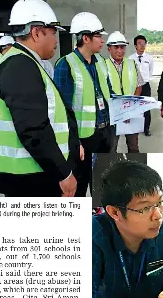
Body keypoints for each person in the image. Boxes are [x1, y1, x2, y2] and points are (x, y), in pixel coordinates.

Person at [0, 0, 81, 197]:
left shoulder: (25, 61)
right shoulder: (20, 66)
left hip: (34, 171)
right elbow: (33, 130)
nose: (56, 40)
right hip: (30, 177)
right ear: (36, 32)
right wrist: (63, 173)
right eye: (53, 32)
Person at [93, 161, 163, 298]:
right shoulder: (93, 235)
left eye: (159, 203)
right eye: (145, 208)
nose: (158, 215)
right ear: (114, 212)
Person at [54, 12, 115, 196]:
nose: (102, 40)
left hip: (105, 133)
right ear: (85, 38)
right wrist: (74, 141)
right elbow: (63, 109)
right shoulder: (66, 64)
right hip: (82, 139)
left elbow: (109, 93)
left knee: (102, 185)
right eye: (98, 36)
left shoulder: (101, 63)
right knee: (80, 188)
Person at [105, 31, 144, 153]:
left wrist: (130, 107)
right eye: (116, 47)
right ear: (109, 49)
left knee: (133, 147)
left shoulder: (131, 63)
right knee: (111, 147)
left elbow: (139, 86)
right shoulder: (102, 66)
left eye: (122, 47)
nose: (120, 50)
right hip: (113, 114)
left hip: (131, 111)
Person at [129, 35, 154, 136]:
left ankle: (146, 128)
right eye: (140, 44)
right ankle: (135, 127)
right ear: (135, 46)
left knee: (146, 108)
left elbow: (150, 71)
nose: (142, 46)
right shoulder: (130, 59)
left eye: (144, 44)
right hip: (135, 86)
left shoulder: (149, 58)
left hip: (146, 85)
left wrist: (146, 80)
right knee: (135, 107)